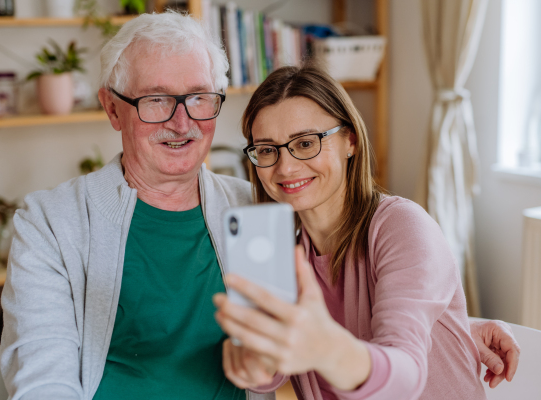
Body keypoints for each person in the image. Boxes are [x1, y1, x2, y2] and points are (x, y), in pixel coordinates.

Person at [0, 11, 517, 400]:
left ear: (350, 140)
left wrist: (437, 321)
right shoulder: (52, 223)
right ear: (113, 108)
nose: (182, 123)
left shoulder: (257, 215)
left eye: (199, 98)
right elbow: (43, 381)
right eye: (157, 100)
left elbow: (386, 344)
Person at [212, 65, 520, 399]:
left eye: (305, 143)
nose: (285, 167)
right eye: (268, 150)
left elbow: (405, 374)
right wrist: (254, 363)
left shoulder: (402, 227)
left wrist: (328, 350)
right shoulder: (287, 256)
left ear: (351, 141)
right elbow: (271, 371)